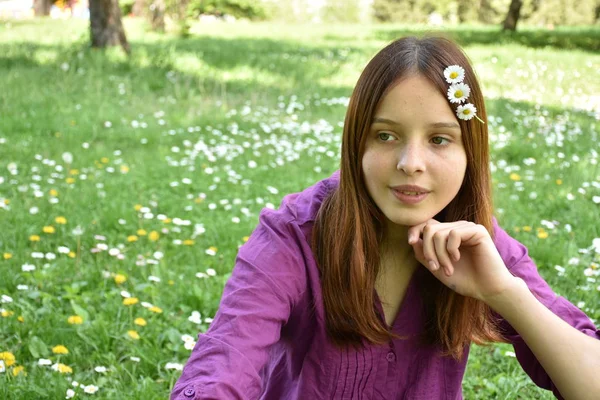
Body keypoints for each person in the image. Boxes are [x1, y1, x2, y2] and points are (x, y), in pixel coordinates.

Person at [171, 36, 600, 400]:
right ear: (357, 143)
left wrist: (504, 292)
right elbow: (225, 361)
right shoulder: (293, 238)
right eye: (386, 135)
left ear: (471, 151)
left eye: (439, 139)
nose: (411, 162)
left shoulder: (477, 244)